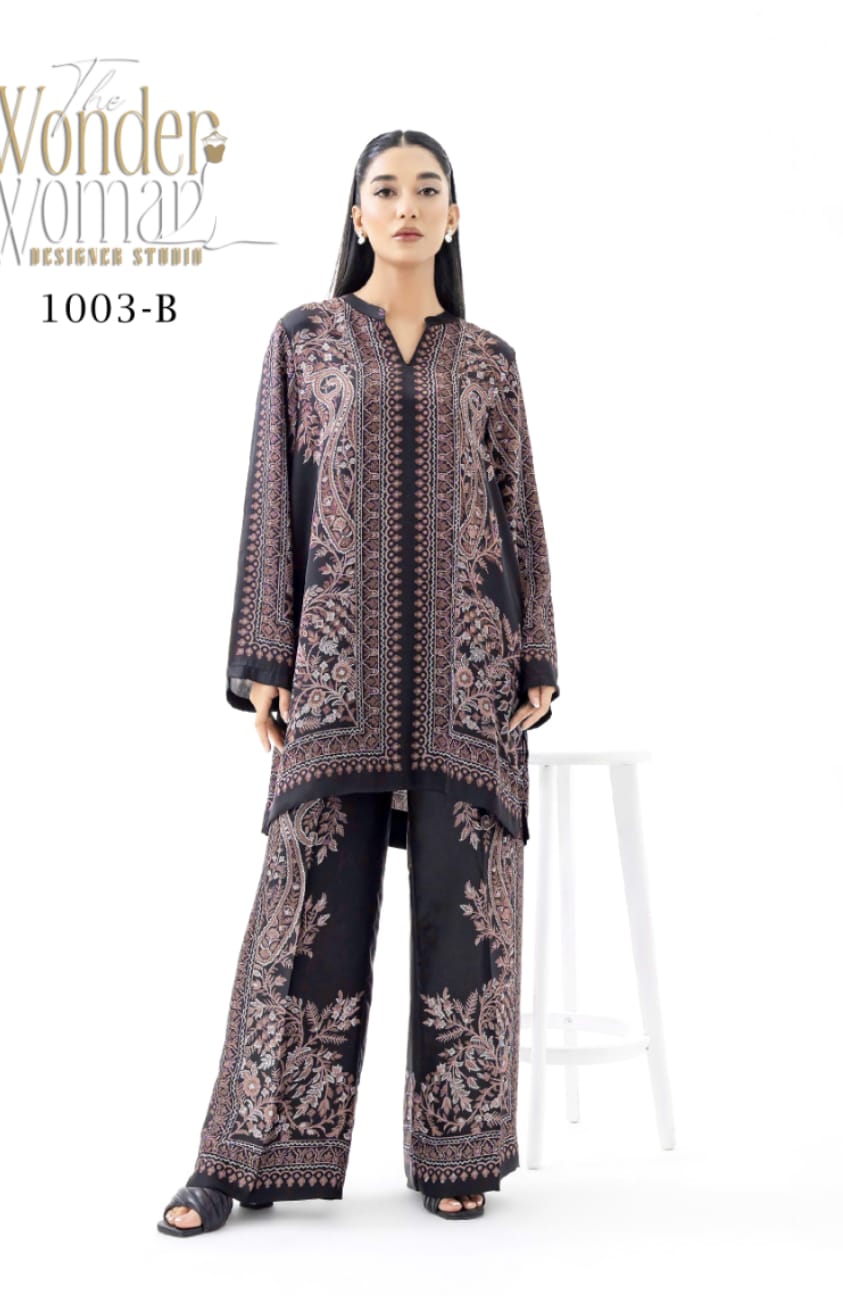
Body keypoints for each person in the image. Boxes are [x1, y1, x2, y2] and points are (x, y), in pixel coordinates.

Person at [158, 128, 559, 1237]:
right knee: (302, 912)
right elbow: (270, 500)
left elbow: (518, 510)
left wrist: (535, 656)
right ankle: (239, 1158)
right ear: (357, 213)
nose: (407, 204)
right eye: (386, 188)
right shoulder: (306, 340)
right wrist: (264, 658)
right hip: (335, 672)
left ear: (454, 216)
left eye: (429, 189)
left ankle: (459, 1151)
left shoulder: (490, 361)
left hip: (470, 679)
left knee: (467, 920)